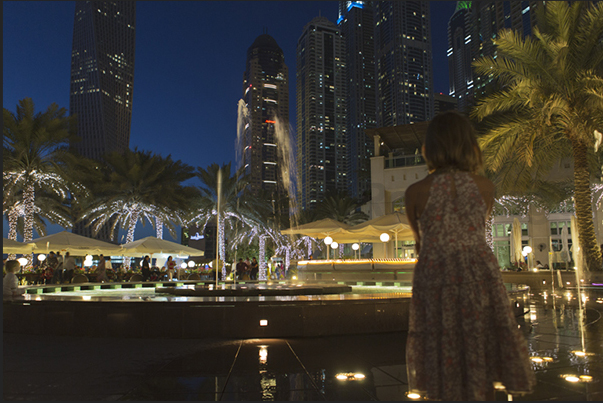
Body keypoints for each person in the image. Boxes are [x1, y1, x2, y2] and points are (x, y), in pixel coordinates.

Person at [404, 111, 535, 401]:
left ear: (427, 150)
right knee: (479, 334)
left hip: (435, 272)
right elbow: (476, 225)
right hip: (477, 270)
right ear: (472, 148)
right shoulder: (485, 187)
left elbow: (420, 242)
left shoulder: (415, 191)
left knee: (442, 335)